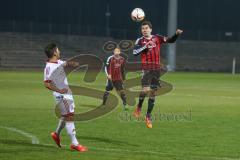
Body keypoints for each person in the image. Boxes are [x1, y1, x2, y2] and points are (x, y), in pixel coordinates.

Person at [133, 21, 183, 128]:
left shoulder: (157, 38)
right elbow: (135, 52)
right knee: (145, 90)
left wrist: (176, 34)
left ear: (151, 29)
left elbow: (171, 40)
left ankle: (148, 116)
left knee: (153, 93)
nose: (144, 30)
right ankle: (139, 107)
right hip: (146, 68)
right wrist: (145, 46)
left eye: (146, 28)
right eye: (143, 29)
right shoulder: (140, 40)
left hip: (156, 69)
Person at [43, 43, 88, 152]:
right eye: (58, 50)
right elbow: (47, 84)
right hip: (61, 95)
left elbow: (66, 63)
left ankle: (56, 134)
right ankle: (74, 143)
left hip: (67, 93)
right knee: (69, 116)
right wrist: (59, 90)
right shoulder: (49, 67)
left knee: (66, 115)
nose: (59, 51)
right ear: (54, 52)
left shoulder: (58, 62)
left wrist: (77, 63)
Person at [102, 46, 127, 110]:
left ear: (120, 52)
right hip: (111, 78)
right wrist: (108, 75)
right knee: (107, 91)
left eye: (118, 51)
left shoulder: (122, 59)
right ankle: (103, 104)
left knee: (122, 92)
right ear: (113, 52)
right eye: (115, 51)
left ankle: (125, 105)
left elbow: (123, 70)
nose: (116, 52)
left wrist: (124, 78)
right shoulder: (110, 58)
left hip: (118, 78)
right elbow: (106, 67)